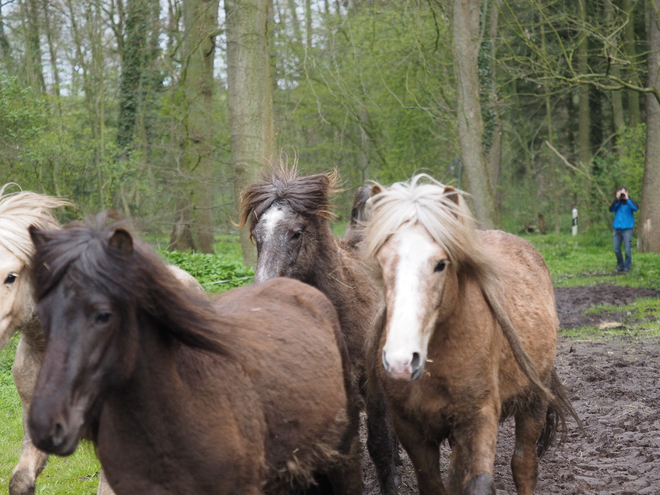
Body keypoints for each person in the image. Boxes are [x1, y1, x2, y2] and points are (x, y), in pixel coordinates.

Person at [609, 187, 639, 273]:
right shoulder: (617, 203)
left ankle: (627, 268)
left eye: (623, 193)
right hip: (617, 230)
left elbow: (636, 208)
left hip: (627, 231)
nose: (622, 195)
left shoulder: (630, 202)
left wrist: (627, 199)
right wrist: (617, 199)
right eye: (620, 193)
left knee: (627, 250)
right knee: (616, 249)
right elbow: (611, 209)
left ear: (627, 192)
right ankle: (620, 266)